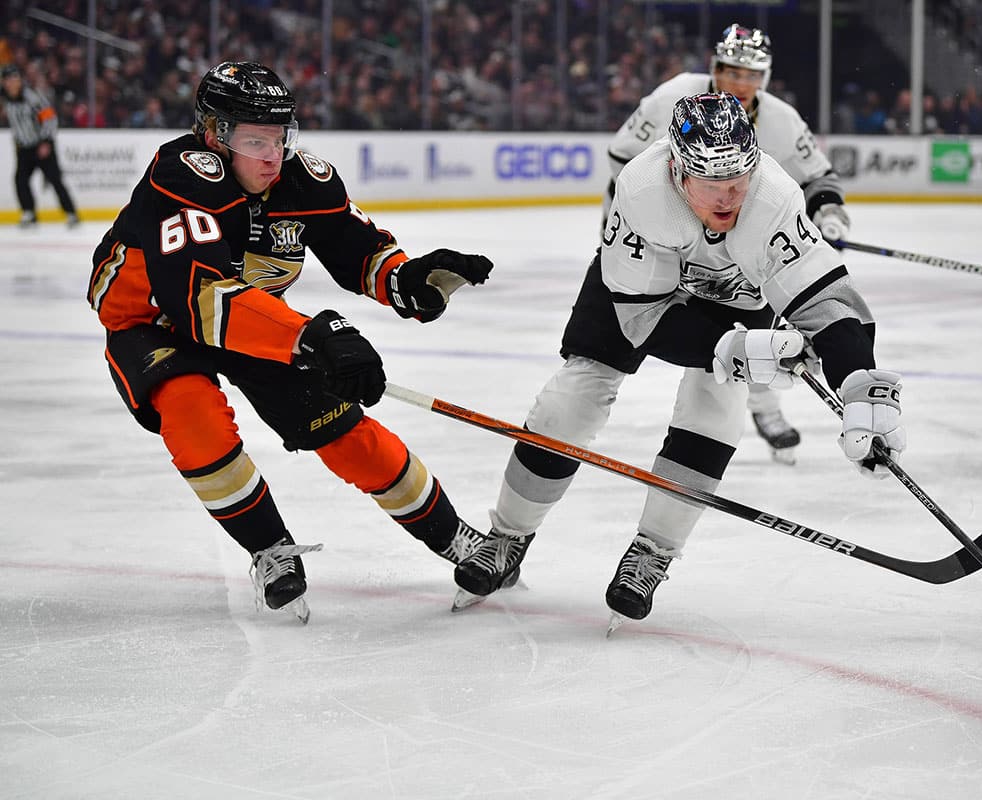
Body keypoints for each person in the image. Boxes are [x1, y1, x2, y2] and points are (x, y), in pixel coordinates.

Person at [454, 92, 904, 628]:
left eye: (738, 181)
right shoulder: (643, 190)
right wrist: (726, 349)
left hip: (735, 296)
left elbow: (826, 301)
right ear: (677, 170)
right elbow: (641, 318)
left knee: (716, 406)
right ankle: (506, 536)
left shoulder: (773, 195)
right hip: (634, 292)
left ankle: (653, 551)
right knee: (569, 402)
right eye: (712, 184)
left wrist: (859, 386)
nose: (729, 198)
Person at [85, 62, 496, 622]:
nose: (272, 155)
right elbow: (201, 301)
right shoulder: (181, 176)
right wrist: (310, 336)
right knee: (192, 412)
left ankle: (458, 538)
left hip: (249, 319)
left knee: (345, 433)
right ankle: (268, 547)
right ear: (213, 135)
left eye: (281, 138)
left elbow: (358, 251)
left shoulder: (304, 181)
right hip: (152, 323)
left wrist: (406, 280)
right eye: (255, 140)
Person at [604, 24, 853, 465]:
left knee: (759, 321)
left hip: (737, 238)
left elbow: (817, 177)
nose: (740, 83)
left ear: (766, 78)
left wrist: (827, 211)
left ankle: (764, 405)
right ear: (714, 68)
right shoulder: (672, 97)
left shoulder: (781, 118)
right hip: (656, 231)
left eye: (751, 74)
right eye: (731, 71)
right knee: (634, 323)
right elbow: (623, 157)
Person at [1, 63, 79, 228]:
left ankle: (71, 213)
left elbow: (50, 119)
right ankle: (29, 213)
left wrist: (46, 142)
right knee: (20, 180)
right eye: (7, 80)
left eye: (14, 78)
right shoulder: (5, 98)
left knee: (55, 180)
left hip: (41, 146)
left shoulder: (32, 97)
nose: (11, 83)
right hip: (23, 147)